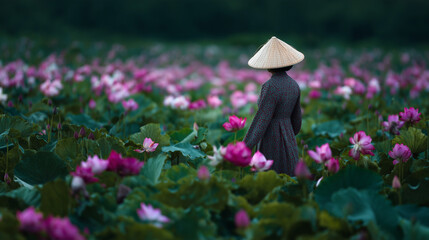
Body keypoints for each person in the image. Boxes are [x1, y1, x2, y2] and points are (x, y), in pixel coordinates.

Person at [244, 36, 304, 175]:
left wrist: (245, 146)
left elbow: (262, 118)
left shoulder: (270, 86)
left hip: (272, 136)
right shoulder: (294, 85)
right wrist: (288, 132)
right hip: (289, 134)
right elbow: (297, 120)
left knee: (273, 174)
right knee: (289, 173)